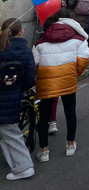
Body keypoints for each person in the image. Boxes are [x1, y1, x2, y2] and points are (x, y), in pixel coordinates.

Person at [32, 9, 89, 162]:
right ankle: (70, 144)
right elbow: (85, 58)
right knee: (70, 112)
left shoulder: (42, 39)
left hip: (47, 80)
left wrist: (44, 74)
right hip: (68, 79)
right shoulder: (78, 38)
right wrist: (73, 72)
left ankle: (44, 150)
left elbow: (35, 63)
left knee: (44, 115)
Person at [0, 18, 36, 181]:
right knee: (11, 132)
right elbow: (29, 77)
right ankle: (20, 165)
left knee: (9, 132)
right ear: (21, 32)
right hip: (12, 95)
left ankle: (24, 167)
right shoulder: (25, 50)